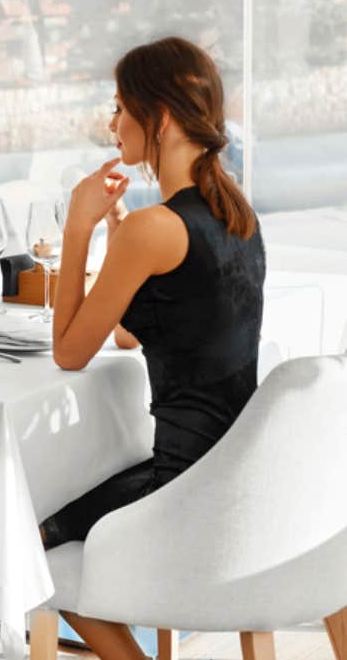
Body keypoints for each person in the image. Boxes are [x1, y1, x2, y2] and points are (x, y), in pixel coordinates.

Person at [44, 36, 265, 660]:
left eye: (120, 108)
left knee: (28, 538)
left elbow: (68, 351)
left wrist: (79, 225)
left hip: (181, 487)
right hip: (233, 475)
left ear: (160, 117)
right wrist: (118, 235)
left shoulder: (155, 228)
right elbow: (129, 333)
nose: (112, 124)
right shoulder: (237, 214)